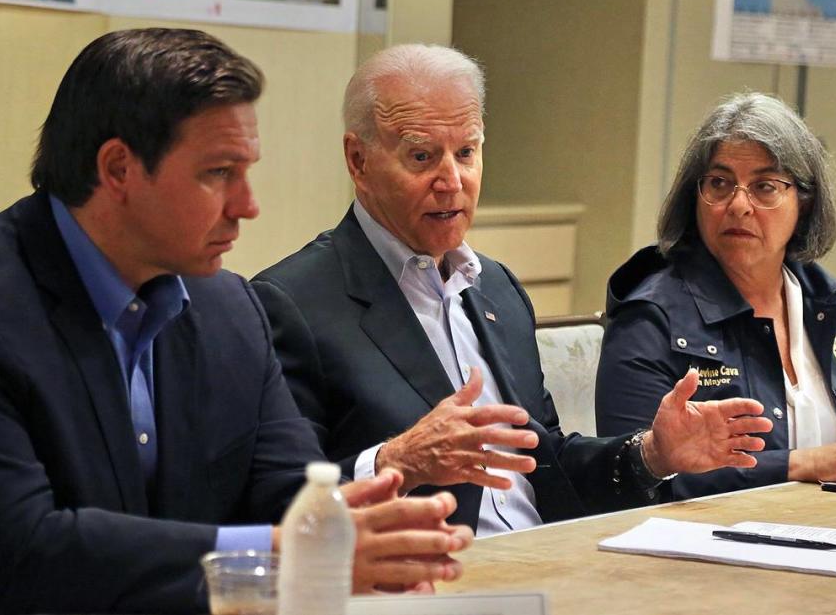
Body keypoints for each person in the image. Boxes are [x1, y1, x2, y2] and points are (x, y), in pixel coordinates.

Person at [0, 29, 472, 615]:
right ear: (119, 168)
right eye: (220, 173)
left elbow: (287, 495)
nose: (247, 205)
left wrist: (363, 540)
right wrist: (284, 552)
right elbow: (21, 554)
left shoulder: (230, 309)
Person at [250, 44, 773, 535]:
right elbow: (276, 509)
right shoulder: (290, 303)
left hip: (543, 566)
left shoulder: (496, 288)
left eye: (467, 153)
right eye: (421, 157)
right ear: (358, 161)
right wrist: (394, 463)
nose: (452, 180)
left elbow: (546, 465)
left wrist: (652, 454)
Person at [596, 92, 836, 500]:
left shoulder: (826, 302)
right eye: (720, 183)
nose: (738, 205)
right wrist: (804, 462)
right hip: (711, 553)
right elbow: (633, 474)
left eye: (764, 186)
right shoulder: (650, 318)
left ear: (804, 201)